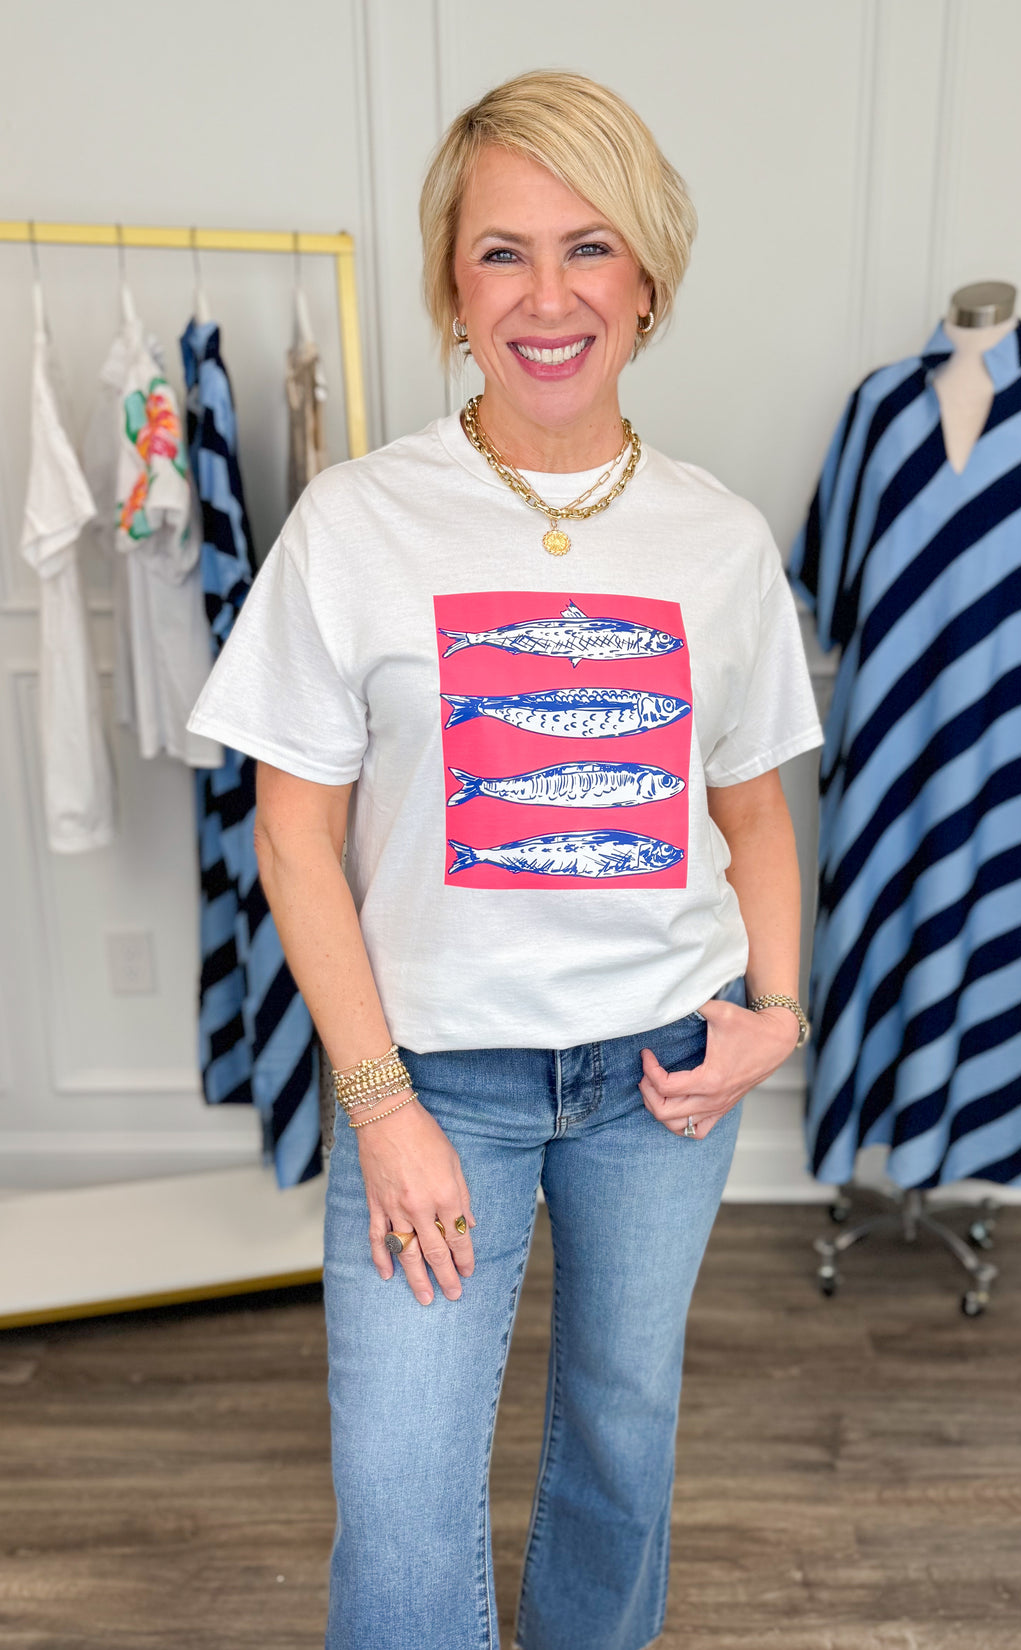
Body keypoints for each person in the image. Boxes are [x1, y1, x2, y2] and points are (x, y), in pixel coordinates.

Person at [188, 68, 822, 1650]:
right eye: (502, 252)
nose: (548, 296)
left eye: (589, 247)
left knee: (620, 1435)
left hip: (663, 1075)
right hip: (433, 1080)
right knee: (403, 1501)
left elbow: (752, 812)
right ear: (451, 287)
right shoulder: (356, 524)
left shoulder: (720, 541)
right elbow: (293, 831)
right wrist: (380, 1101)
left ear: (648, 280)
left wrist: (777, 1011)